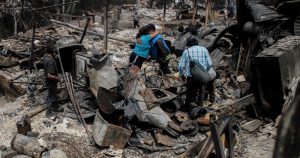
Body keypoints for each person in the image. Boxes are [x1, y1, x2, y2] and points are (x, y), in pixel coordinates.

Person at [178, 37, 215, 107]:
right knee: (201, 89)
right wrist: (204, 71)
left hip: (191, 76)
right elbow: (210, 63)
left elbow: (181, 66)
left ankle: (188, 107)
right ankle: (200, 106)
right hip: (202, 75)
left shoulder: (187, 51)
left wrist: (181, 75)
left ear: (189, 44)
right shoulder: (204, 49)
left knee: (190, 92)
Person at [44, 46, 60, 112]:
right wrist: (57, 78)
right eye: (54, 52)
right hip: (51, 82)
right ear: (52, 52)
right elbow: (49, 75)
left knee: (51, 95)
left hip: (49, 81)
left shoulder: (46, 57)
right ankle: (49, 112)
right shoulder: (50, 61)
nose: (55, 53)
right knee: (52, 97)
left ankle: (54, 108)